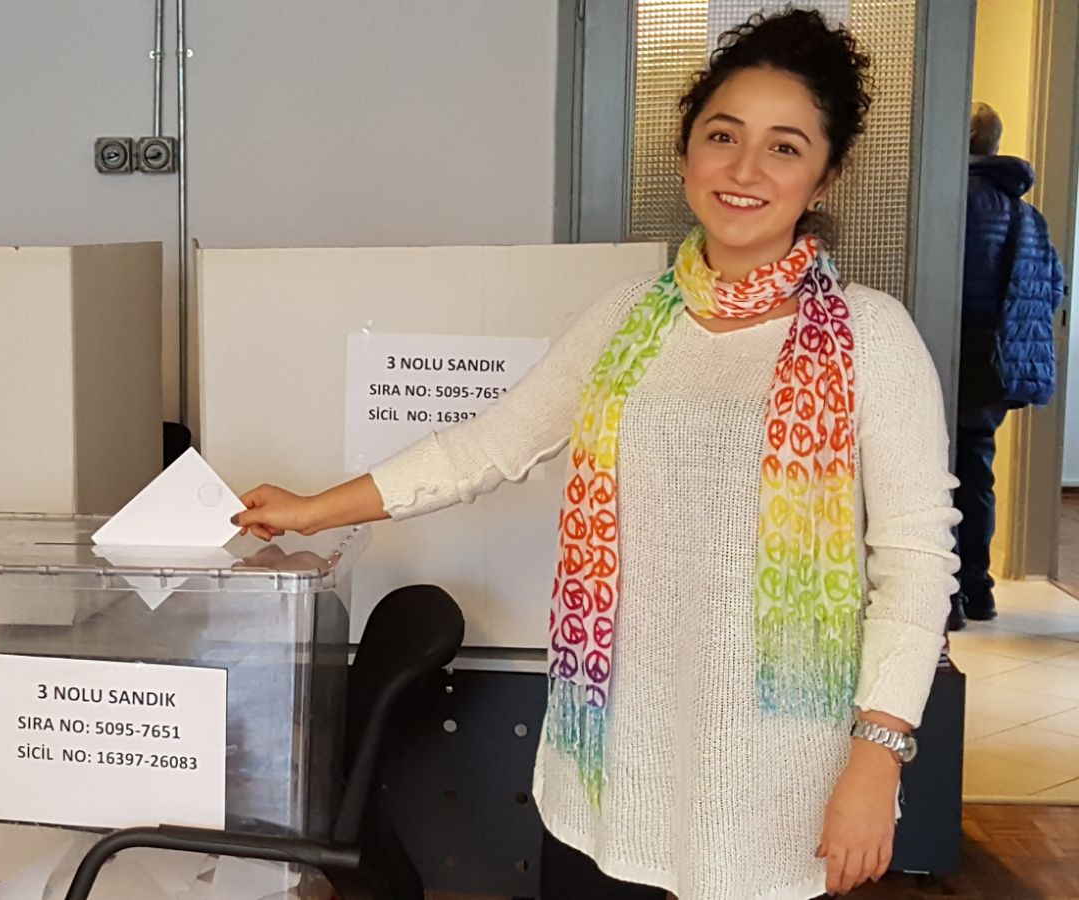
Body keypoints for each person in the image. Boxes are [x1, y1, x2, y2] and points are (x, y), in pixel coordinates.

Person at [231, 11, 958, 900]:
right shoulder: (624, 322)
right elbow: (489, 446)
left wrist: (878, 757)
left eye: (784, 147)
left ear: (824, 176)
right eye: (723, 135)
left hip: (781, 782)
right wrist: (313, 510)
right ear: (685, 152)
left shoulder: (871, 338)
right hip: (613, 765)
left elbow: (916, 561)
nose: (744, 169)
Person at [948, 101, 1067, 631]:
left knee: (934, 473)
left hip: (945, 350)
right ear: (995, 145)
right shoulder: (1026, 216)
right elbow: (1053, 287)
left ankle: (945, 592)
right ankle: (979, 589)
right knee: (977, 473)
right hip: (997, 364)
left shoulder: (947, 201)